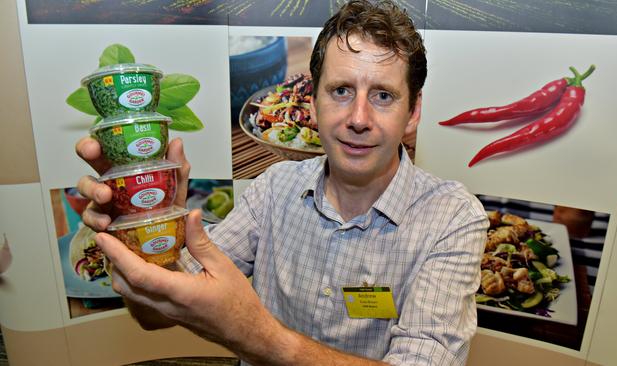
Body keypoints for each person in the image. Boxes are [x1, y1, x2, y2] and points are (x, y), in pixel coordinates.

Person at [75, 1, 488, 364]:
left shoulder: (451, 217)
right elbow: (156, 315)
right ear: (313, 103)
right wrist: (148, 232)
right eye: (341, 90)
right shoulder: (275, 186)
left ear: (413, 112)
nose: (358, 119)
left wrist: (256, 335)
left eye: (383, 95)